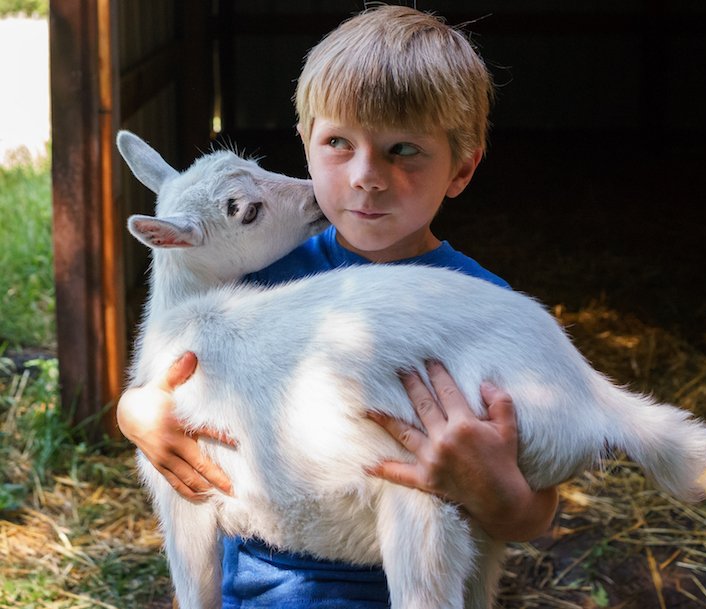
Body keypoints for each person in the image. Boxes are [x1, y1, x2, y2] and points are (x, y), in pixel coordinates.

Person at [116, 5, 559, 607]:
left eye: (403, 149)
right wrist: (136, 414)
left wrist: (499, 493)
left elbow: (536, 504)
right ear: (306, 145)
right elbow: (177, 386)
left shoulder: (481, 311)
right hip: (264, 588)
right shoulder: (256, 279)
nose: (365, 176)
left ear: (462, 166)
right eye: (337, 143)